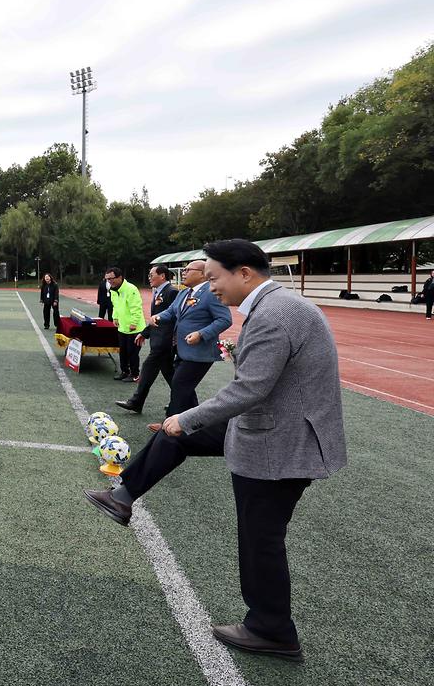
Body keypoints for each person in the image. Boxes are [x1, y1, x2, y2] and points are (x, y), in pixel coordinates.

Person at [85, 239, 346, 661]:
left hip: (280, 444)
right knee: (176, 438)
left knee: (260, 536)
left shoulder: (277, 313)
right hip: (271, 427)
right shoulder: (278, 307)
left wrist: (187, 416)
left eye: (214, 278)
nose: (211, 288)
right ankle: (122, 497)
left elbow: (251, 387)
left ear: (244, 272)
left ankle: (272, 629)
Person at [137, 259, 233, 432]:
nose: (184, 272)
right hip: (182, 350)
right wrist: (158, 317)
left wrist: (201, 334)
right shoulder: (183, 293)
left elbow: (225, 319)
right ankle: (196, 423)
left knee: (180, 384)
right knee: (184, 387)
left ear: (203, 274)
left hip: (200, 353)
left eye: (188, 270)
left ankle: (170, 425)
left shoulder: (211, 292)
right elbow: (171, 311)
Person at [115, 265, 179, 415]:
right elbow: (155, 317)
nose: (149, 278)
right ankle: (183, 402)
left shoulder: (172, 292)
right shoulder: (159, 291)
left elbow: (173, 317)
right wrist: (145, 333)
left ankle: (136, 402)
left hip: (164, 342)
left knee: (148, 368)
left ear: (162, 276)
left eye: (151, 275)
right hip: (158, 340)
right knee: (170, 374)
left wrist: (170, 340)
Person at [107, 266, 145, 382]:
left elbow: (136, 307)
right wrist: (115, 318)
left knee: (132, 352)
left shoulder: (130, 289)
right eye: (107, 279)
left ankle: (135, 374)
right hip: (122, 327)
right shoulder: (113, 290)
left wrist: (134, 322)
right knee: (122, 351)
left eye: (111, 278)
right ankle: (124, 371)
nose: (109, 281)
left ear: (119, 277)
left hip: (134, 328)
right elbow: (115, 306)